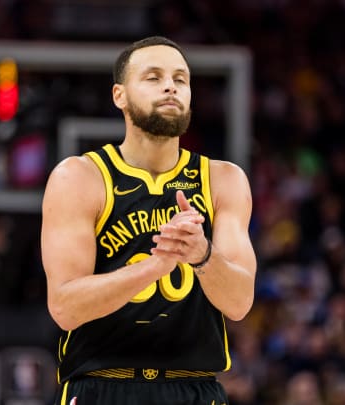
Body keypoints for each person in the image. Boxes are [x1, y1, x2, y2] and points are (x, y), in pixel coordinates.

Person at [40, 36, 257, 404]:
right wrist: (154, 268)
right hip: (102, 386)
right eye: (153, 77)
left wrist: (202, 255)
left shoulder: (224, 180)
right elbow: (64, 307)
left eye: (180, 79)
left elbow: (239, 303)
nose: (171, 85)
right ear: (119, 95)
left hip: (195, 388)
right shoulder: (79, 177)